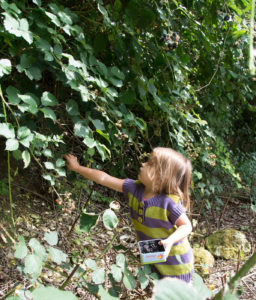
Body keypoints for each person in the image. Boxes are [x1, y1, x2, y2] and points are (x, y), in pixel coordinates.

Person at [64, 147, 194, 283]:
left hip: (178, 267)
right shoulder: (134, 188)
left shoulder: (168, 202)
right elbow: (104, 178)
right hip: (154, 260)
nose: (143, 164)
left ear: (160, 177)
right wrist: (77, 168)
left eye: (149, 164)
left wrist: (170, 241)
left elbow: (186, 226)